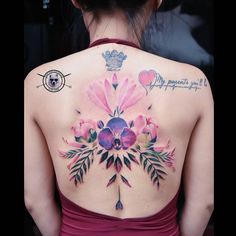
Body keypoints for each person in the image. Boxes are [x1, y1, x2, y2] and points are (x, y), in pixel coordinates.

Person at [24, 0, 214, 235]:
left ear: (75, 1)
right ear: (157, 1)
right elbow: (204, 203)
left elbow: (35, 201)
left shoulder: (38, 83)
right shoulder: (193, 83)